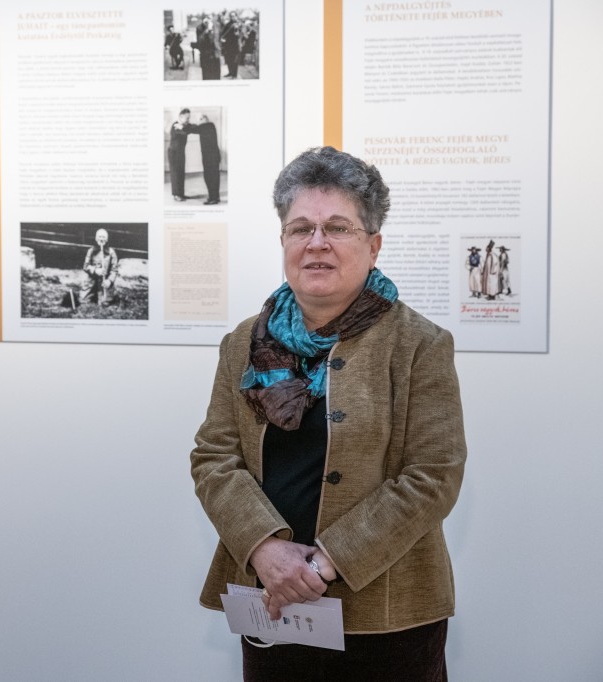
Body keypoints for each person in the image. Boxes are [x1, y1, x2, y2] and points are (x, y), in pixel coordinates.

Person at [190, 146, 466, 680]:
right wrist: (265, 551)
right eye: (301, 228)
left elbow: (434, 475)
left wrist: (322, 564)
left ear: (373, 245)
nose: (317, 243)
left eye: (338, 227)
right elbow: (213, 458)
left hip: (387, 618)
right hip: (273, 605)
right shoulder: (243, 342)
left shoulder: (419, 344)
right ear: (284, 241)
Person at [79, 228, 119, 306]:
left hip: (104, 282)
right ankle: (91, 294)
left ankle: (102, 296)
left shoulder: (111, 252)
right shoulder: (91, 251)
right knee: (83, 301)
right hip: (91, 280)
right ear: (96, 238)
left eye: (103, 237)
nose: (101, 239)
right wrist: (95, 270)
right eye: (99, 237)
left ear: (107, 239)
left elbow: (114, 270)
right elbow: (85, 266)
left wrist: (109, 281)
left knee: (104, 303)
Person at [196, 114, 221, 205]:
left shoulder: (208, 125)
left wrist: (182, 126)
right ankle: (214, 197)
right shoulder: (207, 126)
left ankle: (213, 198)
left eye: (200, 119)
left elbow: (194, 129)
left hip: (211, 157)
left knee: (211, 177)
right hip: (210, 156)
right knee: (211, 177)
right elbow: (196, 128)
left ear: (205, 119)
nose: (199, 121)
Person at [168, 109, 192, 202]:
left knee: (181, 172)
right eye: (187, 118)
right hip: (174, 153)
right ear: (181, 117)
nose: (188, 120)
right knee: (175, 173)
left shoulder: (185, 126)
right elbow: (184, 132)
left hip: (181, 152)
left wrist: (185, 127)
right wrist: (184, 128)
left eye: (189, 118)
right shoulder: (175, 126)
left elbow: (192, 128)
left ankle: (181, 193)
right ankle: (176, 195)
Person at [220, 14, 241, 78]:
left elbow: (241, 34)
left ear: (236, 16)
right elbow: (223, 32)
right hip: (228, 44)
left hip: (235, 45)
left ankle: (234, 74)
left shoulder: (239, 24)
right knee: (228, 59)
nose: (233, 17)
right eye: (231, 16)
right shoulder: (228, 24)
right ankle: (230, 72)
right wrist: (223, 39)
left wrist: (238, 33)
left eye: (234, 16)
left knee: (235, 60)